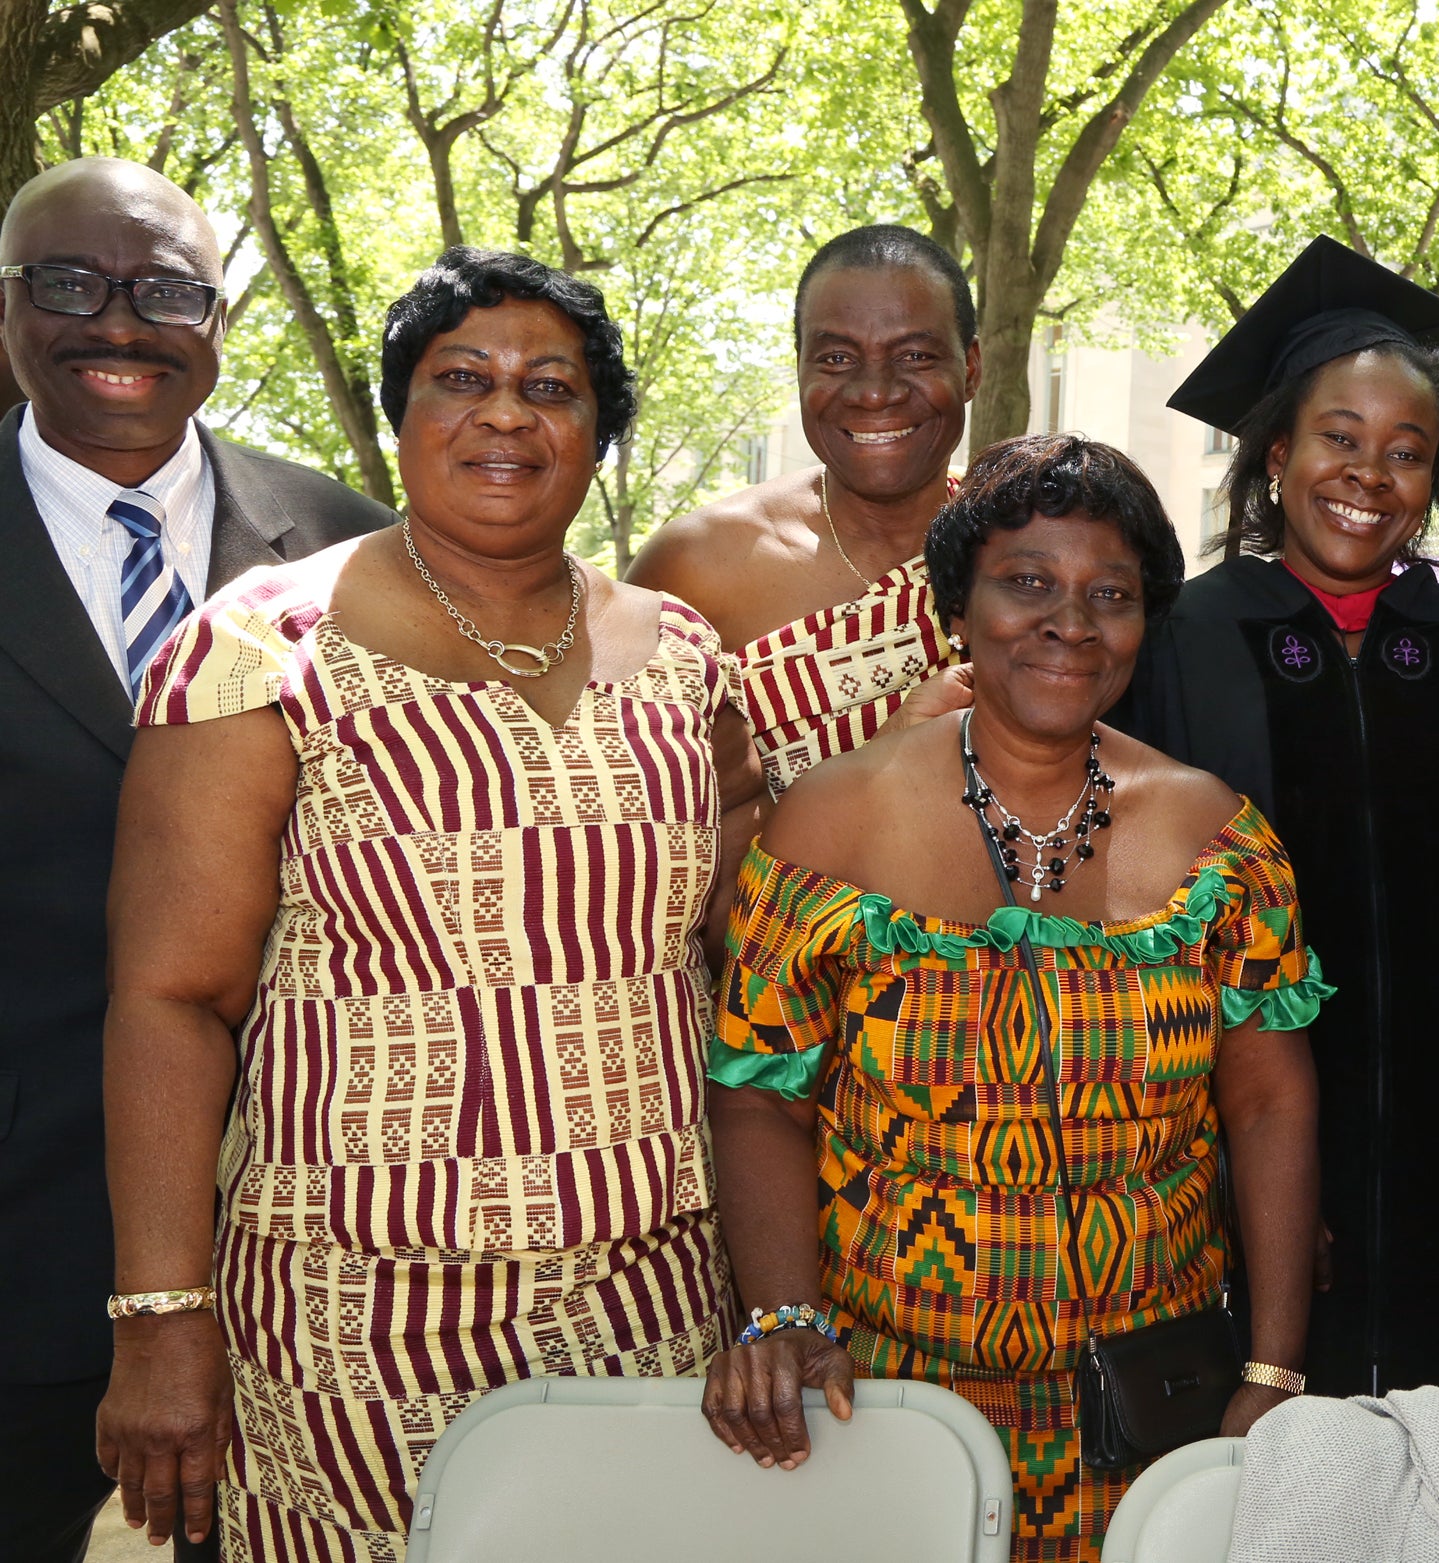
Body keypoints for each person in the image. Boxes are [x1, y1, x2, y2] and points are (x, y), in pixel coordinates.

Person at [93, 247, 757, 1557]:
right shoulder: (256, 648)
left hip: (652, 1303)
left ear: (598, 433)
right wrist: (161, 1317)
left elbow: (731, 959)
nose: (505, 414)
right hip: (355, 1321)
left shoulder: (683, 656)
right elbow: (171, 998)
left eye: (550, 388)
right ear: (402, 412)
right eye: (462, 379)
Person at [702, 434, 1324, 1561]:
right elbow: (760, 1099)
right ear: (959, 606)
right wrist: (788, 1317)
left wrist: (1273, 1370)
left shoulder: (1214, 836)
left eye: (1111, 595)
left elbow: (1270, 1102)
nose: (1069, 623)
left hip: (1148, 1418)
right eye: (1027, 582)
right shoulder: (830, 824)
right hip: (884, 1408)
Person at [0, 156, 391, 1562]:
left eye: (164, 291)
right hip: (21, 1234)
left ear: (218, 322)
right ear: (6, 306)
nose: (118, 322)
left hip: (310, 1240)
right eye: (69, 282)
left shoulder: (352, 545)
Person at [1112, 237, 1439, 1408]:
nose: (1370, 474)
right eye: (1339, 438)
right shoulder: (1178, 645)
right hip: (1230, 1169)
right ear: (1277, 453)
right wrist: (1236, 1176)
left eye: (1407, 451)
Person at [628, 224, 977, 797]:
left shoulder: (1022, 550)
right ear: (800, 369)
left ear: (971, 369)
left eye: (915, 355)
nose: (875, 392)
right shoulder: (697, 568)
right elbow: (644, 811)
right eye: (837, 358)